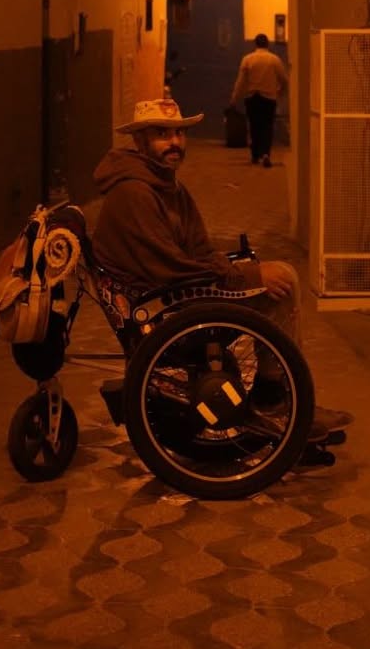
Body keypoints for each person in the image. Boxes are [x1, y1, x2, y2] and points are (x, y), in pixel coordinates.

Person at [92, 97, 350, 437]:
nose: (175, 142)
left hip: (173, 294)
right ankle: (274, 401)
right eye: (162, 134)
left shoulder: (167, 185)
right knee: (283, 281)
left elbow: (199, 249)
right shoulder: (134, 193)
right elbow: (169, 267)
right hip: (162, 311)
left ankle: (283, 398)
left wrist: (239, 270)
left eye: (179, 134)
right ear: (140, 141)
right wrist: (246, 277)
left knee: (275, 272)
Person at [230, 33, 288, 168]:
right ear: (268, 44)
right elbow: (284, 80)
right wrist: (279, 92)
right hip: (269, 99)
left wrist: (234, 98)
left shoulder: (247, 59)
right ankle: (266, 153)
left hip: (252, 98)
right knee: (267, 126)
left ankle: (255, 155)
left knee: (254, 126)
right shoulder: (274, 60)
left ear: (255, 44)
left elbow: (240, 82)